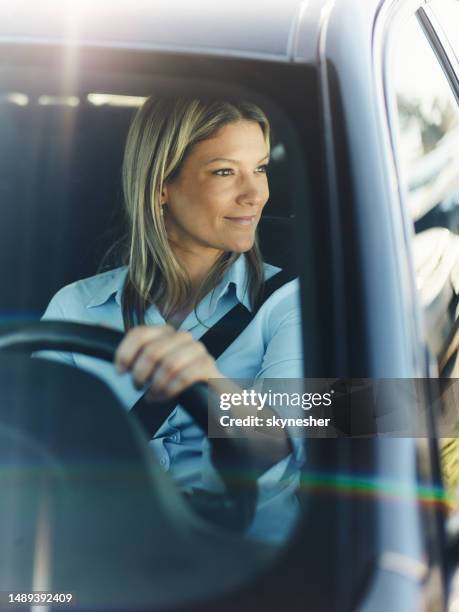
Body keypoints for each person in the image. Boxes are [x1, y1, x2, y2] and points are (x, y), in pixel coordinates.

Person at [41, 95, 303, 543]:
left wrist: (210, 385)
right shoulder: (74, 309)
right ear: (161, 184)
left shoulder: (290, 304)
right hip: (99, 563)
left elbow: (284, 442)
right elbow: (29, 449)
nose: (256, 193)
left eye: (260, 168)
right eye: (225, 171)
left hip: (247, 569)